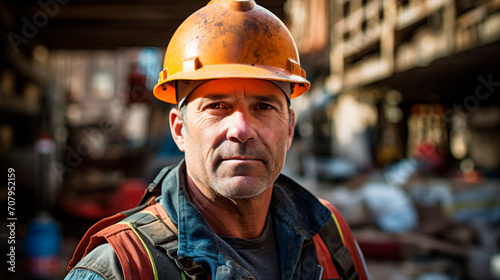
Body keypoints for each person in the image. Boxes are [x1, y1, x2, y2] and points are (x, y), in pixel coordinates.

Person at [65, 0, 370, 279]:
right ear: (179, 130)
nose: (241, 129)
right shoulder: (121, 267)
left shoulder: (329, 234)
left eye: (263, 107)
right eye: (216, 106)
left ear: (289, 128)